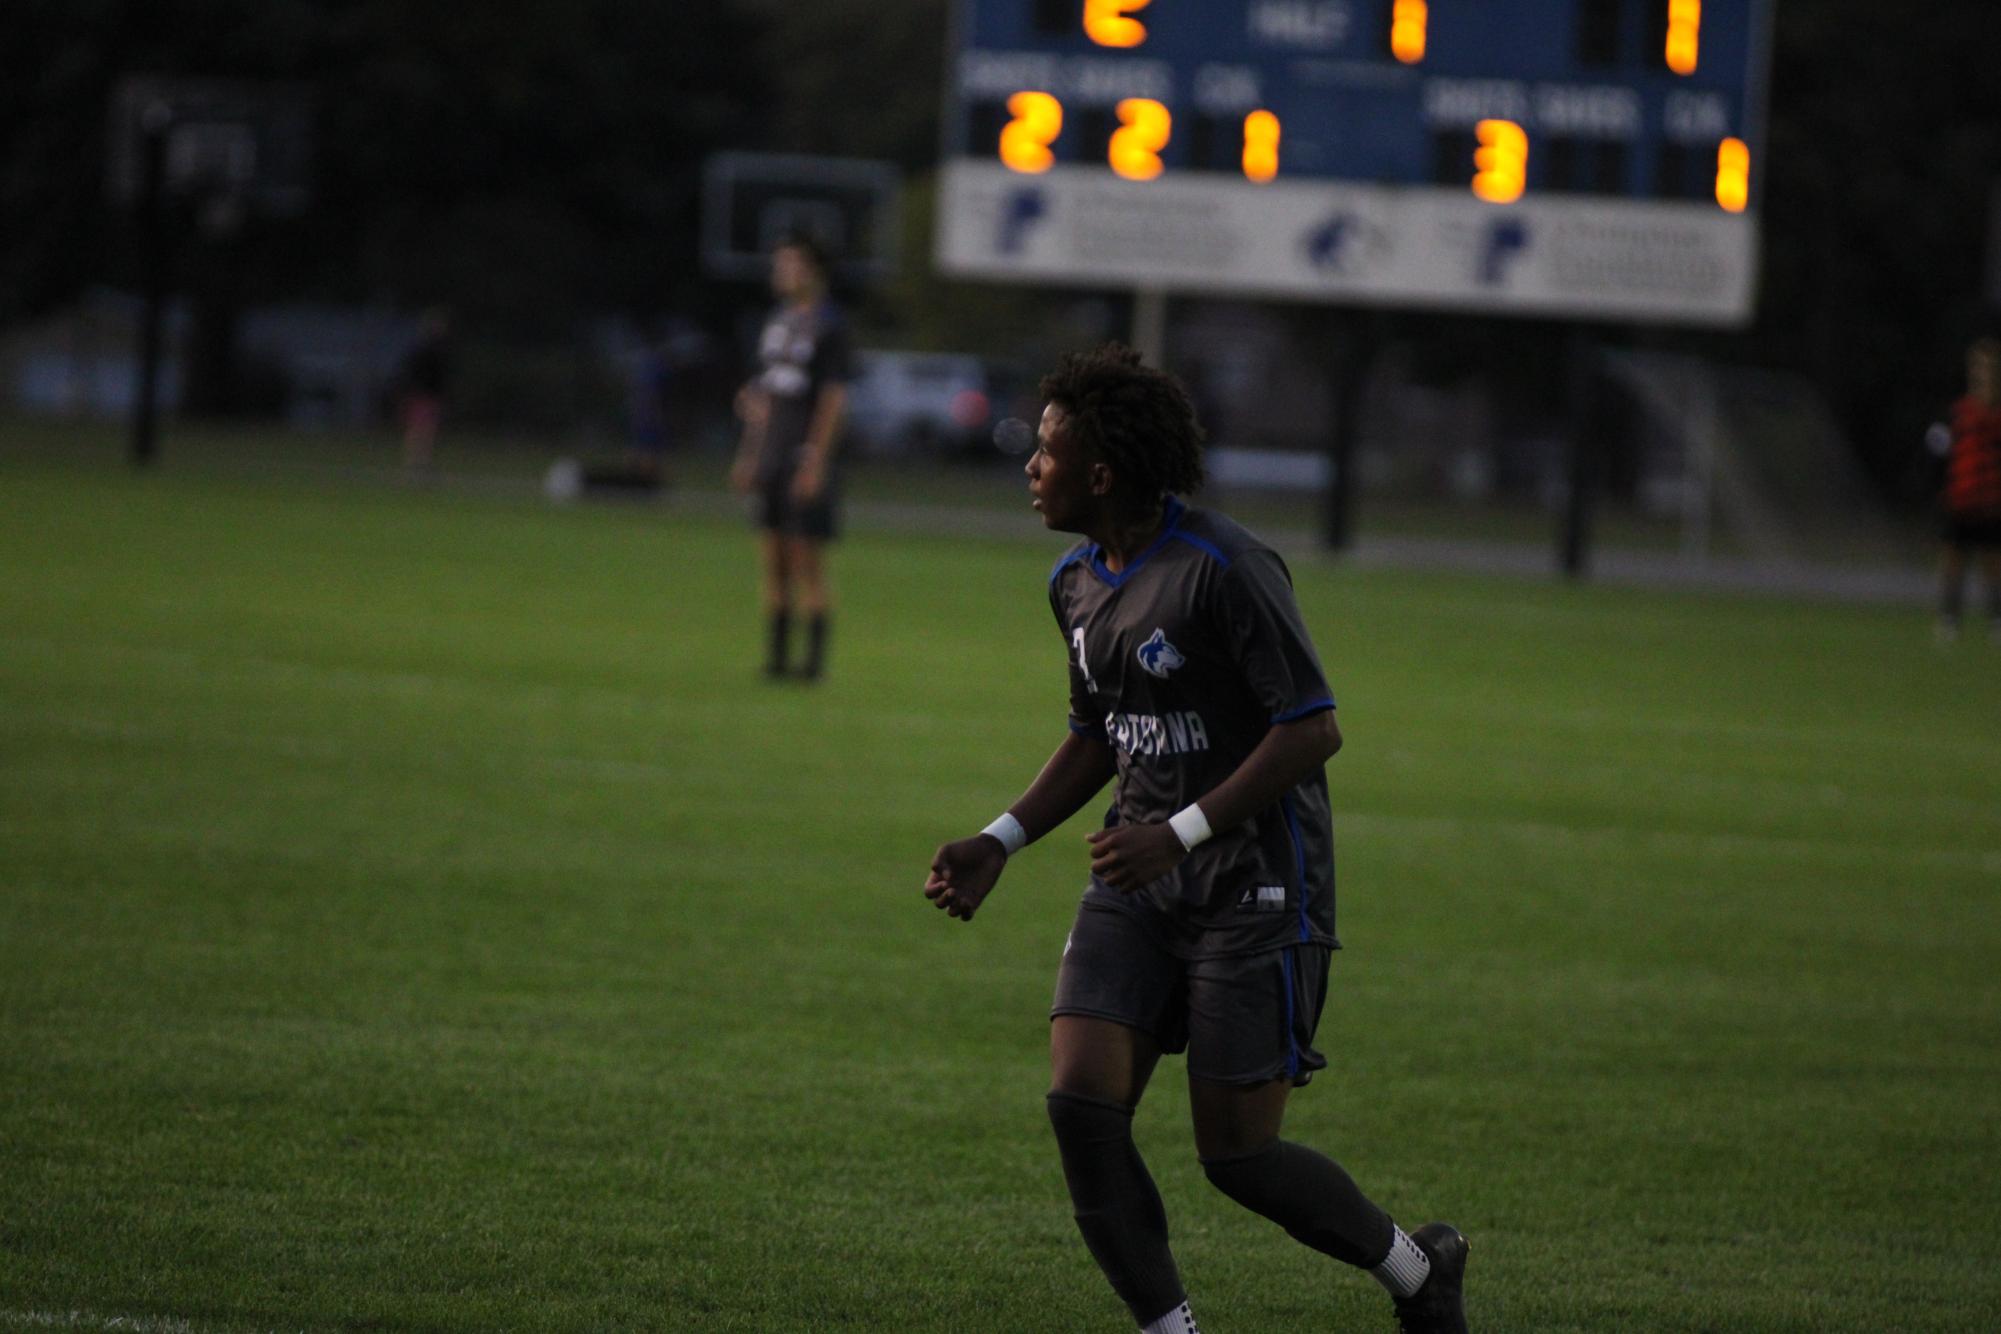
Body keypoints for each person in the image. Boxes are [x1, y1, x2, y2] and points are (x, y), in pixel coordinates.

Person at [922, 344, 1468, 1334]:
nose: (1030, 468)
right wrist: (1002, 837)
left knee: (1239, 1157)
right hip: (1138, 879)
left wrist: (1179, 831)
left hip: (1253, 884)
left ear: (1102, 472)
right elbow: (1101, 731)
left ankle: (1420, 1269)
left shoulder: (1228, 567)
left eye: (1048, 451)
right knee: (1081, 1106)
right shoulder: (1075, 583)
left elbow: (1312, 726)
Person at [729, 236, 852, 682]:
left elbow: (834, 398)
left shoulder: (830, 325)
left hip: (803, 456)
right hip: (771, 456)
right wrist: (748, 453)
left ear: (813, 270)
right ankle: (777, 661)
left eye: (790, 264)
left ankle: (812, 666)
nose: (781, 272)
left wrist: (816, 460)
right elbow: (761, 395)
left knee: (806, 562)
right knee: (773, 558)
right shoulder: (777, 321)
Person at [1928, 337, 2001, 642]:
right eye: (1977, 366)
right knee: (1952, 561)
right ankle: (1949, 618)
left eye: (1987, 367)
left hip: (1991, 501)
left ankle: (1997, 619)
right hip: (1960, 498)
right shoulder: (1958, 410)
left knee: (1993, 563)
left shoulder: (1994, 412)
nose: (1981, 372)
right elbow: (1941, 451)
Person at [396, 308, 451, 478]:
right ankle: (414, 465)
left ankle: (421, 465)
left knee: (428, 431)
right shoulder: (424, 350)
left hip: (431, 395)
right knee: (419, 430)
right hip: (422, 395)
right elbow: (413, 372)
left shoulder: (439, 350)